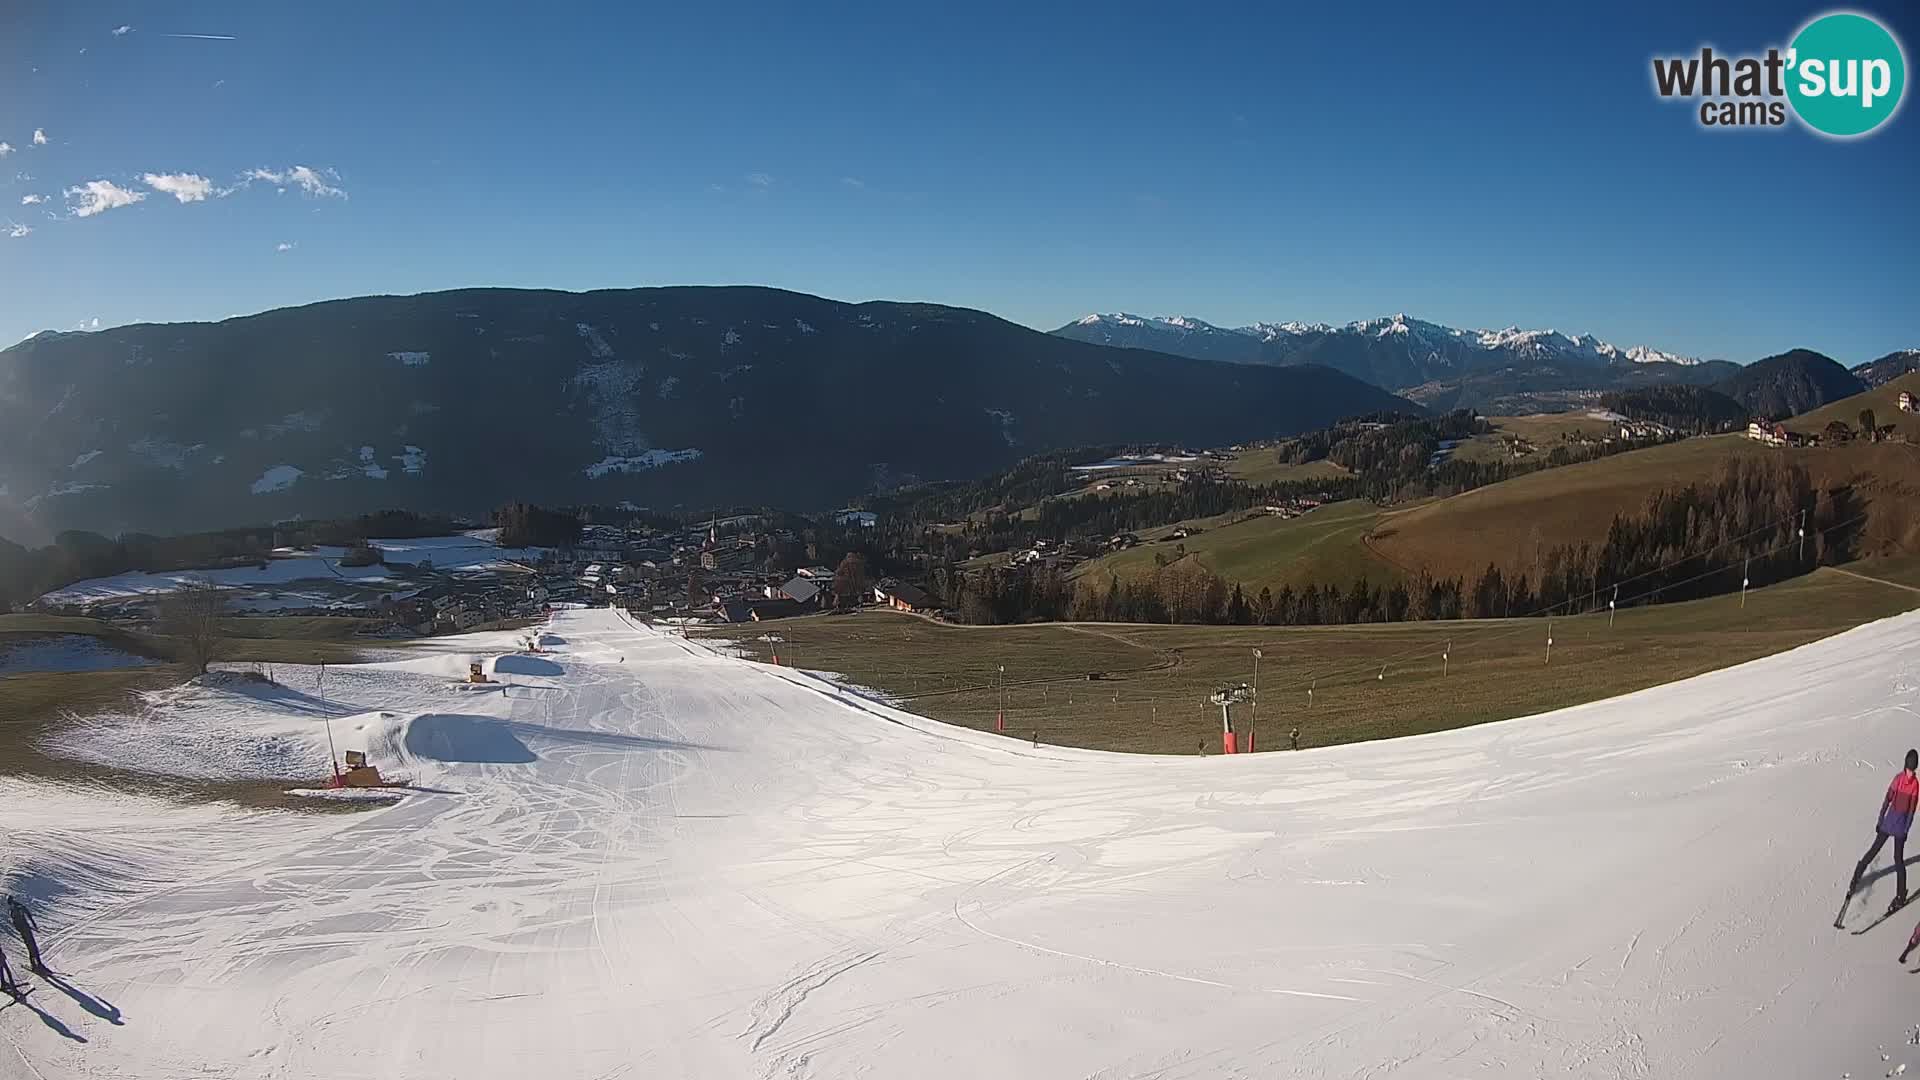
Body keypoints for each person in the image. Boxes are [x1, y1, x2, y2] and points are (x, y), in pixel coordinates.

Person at [1851, 749, 1920, 913]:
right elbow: (1888, 800)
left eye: (1912, 769)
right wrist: (1881, 820)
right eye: (1909, 769)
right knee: (1876, 851)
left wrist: (1905, 830)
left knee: (1897, 860)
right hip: (1890, 824)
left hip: (1898, 827)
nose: (1910, 773)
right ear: (1907, 766)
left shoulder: (1912, 784)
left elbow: (1910, 812)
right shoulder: (1900, 779)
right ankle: (1856, 878)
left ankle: (1900, 895)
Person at [6, 896, 46, 977]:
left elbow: (27, 914)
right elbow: (25, 915)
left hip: (25, 929)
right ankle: (36, 964)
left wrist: (33, 925)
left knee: (32, 947)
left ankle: (37, 964)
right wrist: (32, 925)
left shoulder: (16, 908)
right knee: (31, 947)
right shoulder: (13, 909)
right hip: (24, 930)